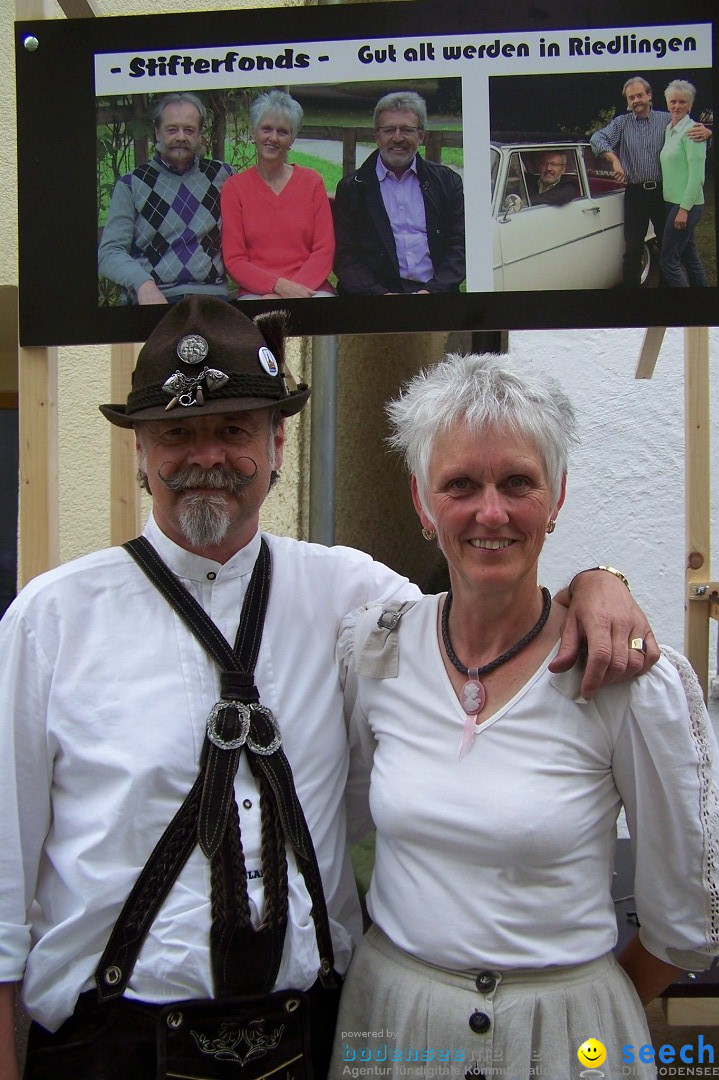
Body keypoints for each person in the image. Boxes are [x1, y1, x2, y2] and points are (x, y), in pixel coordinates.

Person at [0, 297, 660, 1080]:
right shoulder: (53, 618)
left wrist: (595, 581)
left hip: (307, 1041)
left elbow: (488, 605)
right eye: (177, 432)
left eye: (235, 429)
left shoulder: (356, 599)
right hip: (109, 1049)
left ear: (278, 446)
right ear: (141, 453)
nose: (205, 454)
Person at [329, 353, 719, 1079]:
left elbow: (691, 916)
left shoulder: (622, 676)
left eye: (518, 482)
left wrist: (574, 1008)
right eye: (460, 484)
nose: (491, 512)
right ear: (423, 504)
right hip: (393, 1026)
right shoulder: (376, 644)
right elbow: (343, 810)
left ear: (556, 498)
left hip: (568, 1037)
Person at [98, 93, 233, 305]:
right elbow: (110, 252)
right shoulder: (132, 184)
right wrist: (142, 283)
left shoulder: (222, 176)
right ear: (157, 133)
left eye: (189, 130)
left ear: (199, 135)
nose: (181, 137)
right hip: (157, 297)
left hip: (211, 298)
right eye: (172, 129)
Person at [333, 91, 465, 295]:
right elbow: (345, 257)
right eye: (388, 130)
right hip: (375, 299)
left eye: (406, 130)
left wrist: (433, 292)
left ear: (421, 135)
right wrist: (381, 296)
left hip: (434, 296)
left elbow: (460, 246)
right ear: (377, 136)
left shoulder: (448, 183)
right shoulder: (352, 189)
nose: (397, 138)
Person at [590, 76, 711, 286]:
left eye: (639, 95)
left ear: (649, 96)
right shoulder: (622, 123)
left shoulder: (667, 119)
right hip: (635, 194)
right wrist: (614, 160)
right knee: (633, 249)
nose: (636, 100)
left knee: (667, 247)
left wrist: (708, 133)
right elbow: (596, 139)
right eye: (631, 97)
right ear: (627, 101)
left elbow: (693, 140)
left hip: (663, 194)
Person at [221, 90, 335, 300]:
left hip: (310, 287)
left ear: (291, 139)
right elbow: (234, 259)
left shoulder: (312, 182)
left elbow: (324, 250)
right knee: (258, 317)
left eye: (282, 132)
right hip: (257, 292)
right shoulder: (234, 188)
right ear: (254, 133)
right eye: (266, 129)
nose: (273, 138)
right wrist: (276, 287)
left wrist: (291, 292)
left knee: (324, 311)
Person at [658, 80, 708, 288]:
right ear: (667, 104)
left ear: (690, 106)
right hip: (673, 203)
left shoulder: (693, 131)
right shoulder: (670, 129)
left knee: (668, 260)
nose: (677, 106)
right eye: (673, 102)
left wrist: (684, 209)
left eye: (682, 102)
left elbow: (697, 176)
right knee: (689, 255)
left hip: (685, 205)